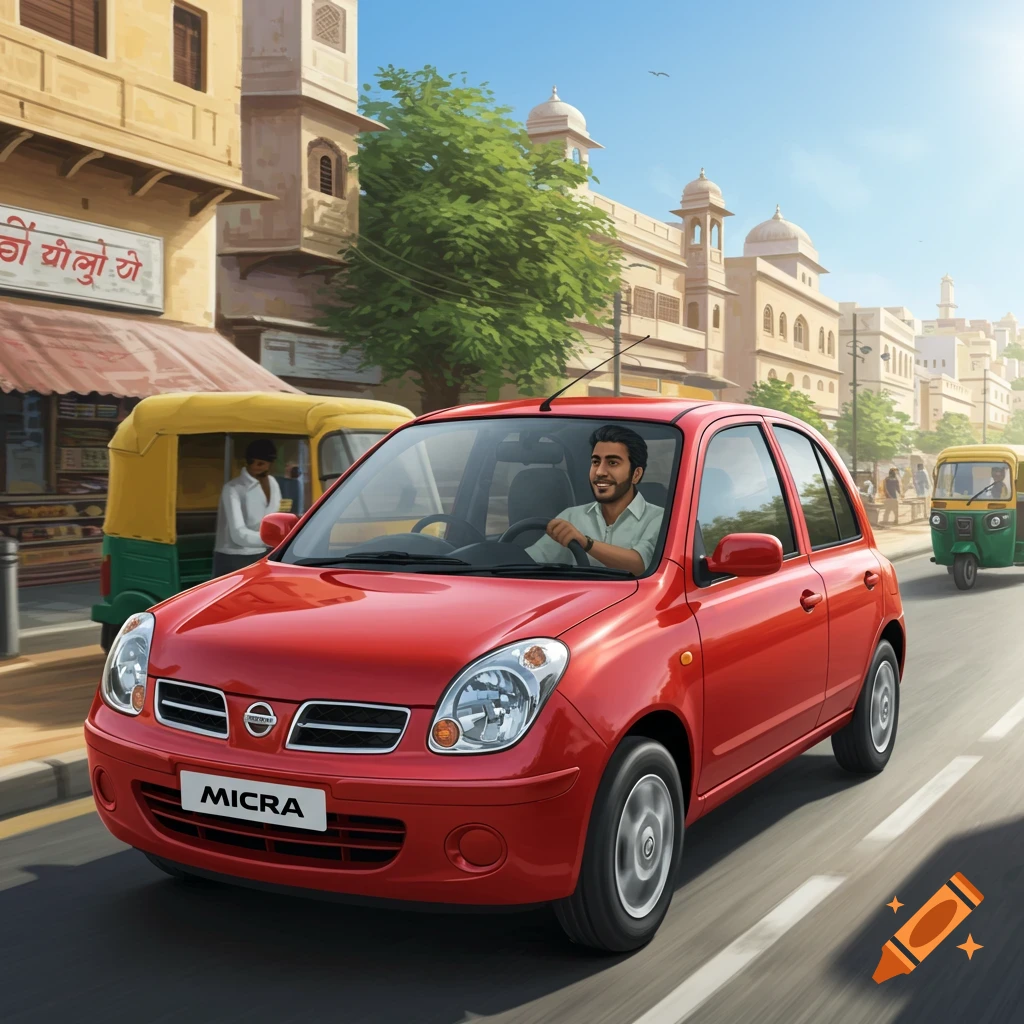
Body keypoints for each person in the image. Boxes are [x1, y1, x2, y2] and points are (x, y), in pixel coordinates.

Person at [526, 425, 663, 575]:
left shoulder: (661, 519)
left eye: (612, 463)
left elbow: (641, 565)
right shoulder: (571, 517)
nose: (600, 472)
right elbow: (531, 560)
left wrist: (586, 543)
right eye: (596, 462)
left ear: (636, 474)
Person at [212, 438, 282, 577]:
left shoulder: (273, 484)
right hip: (234, 558)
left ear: (270, 463)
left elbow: (274, 517)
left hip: (264, 554)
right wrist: (271, 540)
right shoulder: (232, 489)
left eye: (260, 463)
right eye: (251, 462)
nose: (254, 466)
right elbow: (238, 534)